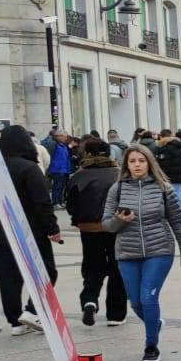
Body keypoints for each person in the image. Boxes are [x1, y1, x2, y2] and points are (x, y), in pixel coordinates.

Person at [104, 146, 181, 361]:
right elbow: (106, 225)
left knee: (148, 298)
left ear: (149, 163)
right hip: (127, 252)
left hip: (159, 250)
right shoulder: (117, 189)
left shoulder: (163, 188)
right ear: (126, 164)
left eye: (141, 160)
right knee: (136, 302)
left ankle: (151, 346)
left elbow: (178, 222)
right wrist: (119, 220)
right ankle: (155, 323)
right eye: (132, 161)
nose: (137, 165)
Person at [0, 126, 61, 335]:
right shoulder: (29, 168)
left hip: (2, 233)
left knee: (9, 278)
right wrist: (52, 228)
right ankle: (32, 310)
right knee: (47, 271)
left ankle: (15, 322)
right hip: (31, 232)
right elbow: (42, 202)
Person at [64, 136, 127, 328]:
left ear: (87, 154)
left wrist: (79, 219)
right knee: (117, 267)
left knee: (92, 266)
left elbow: (70, 203)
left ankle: (89, 300)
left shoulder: (79, 175)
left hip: (88, 228)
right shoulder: (119, 174)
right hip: (115, 226)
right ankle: (115, 314)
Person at [154, 129, 181, 226]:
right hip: (180, 177)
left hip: (167, 178)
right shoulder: (180, 147)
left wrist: (161, 177)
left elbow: (163, 165)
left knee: (167, 200)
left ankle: (169, 220)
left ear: (161, 137)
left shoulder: (162, 148)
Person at [45, 130, 74, 206]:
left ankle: (60, 201)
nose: (66, 138)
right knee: (57, 186)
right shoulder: (53, 144)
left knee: (62, 187)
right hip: (57, 169)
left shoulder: (63, 146)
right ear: (59, 136)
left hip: (64, 169)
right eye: (65, 137)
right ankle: (56, 202)